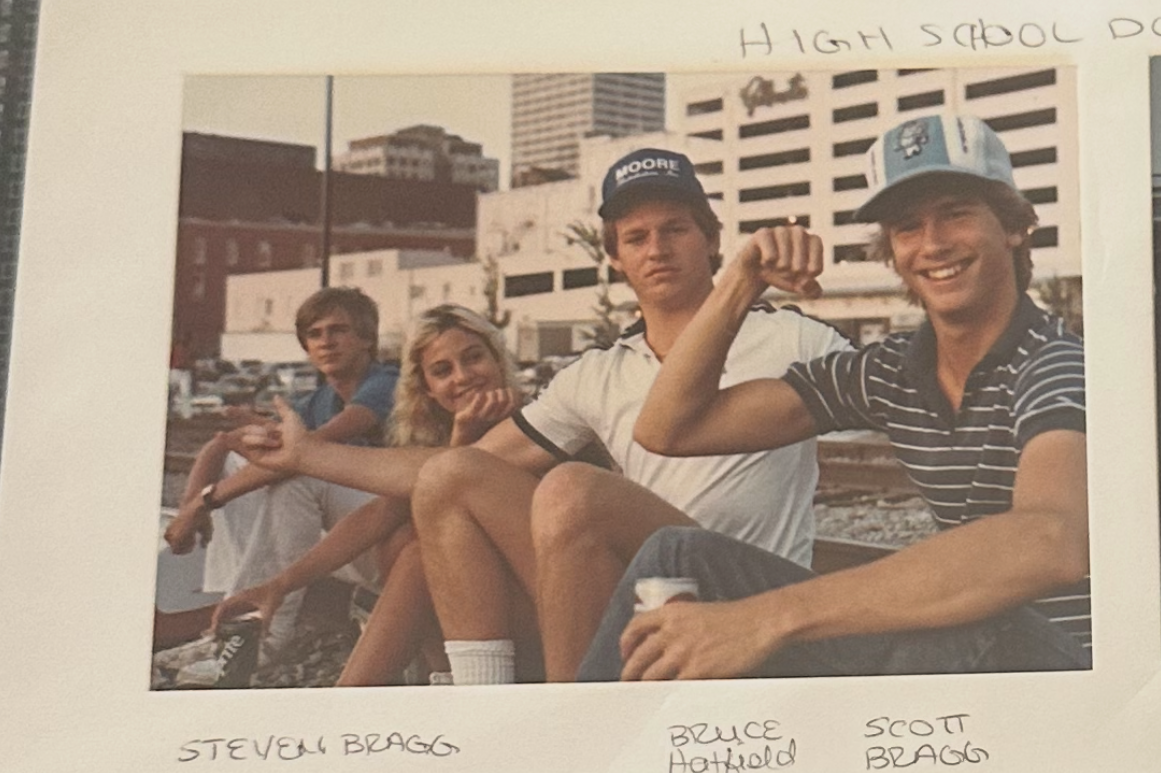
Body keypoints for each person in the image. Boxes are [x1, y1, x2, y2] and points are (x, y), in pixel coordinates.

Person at [578, 117, 1090, 681]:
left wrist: (763, 619)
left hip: (1062, 669)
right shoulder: (892, 372)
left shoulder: (1056, 363)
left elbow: (1051, 541)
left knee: (972, 609)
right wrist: (742, 281)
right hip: (968, 644)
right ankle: (591, 743)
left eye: (956, 213)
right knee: (677, 555)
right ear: (891, 251)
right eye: (907, 227)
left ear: (1014, 227)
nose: (934, 243)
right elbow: (668, 429)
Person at [401, 146, 847, 682]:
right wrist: (304, 454)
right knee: (447, 477)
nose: (657, 249)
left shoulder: (795, 338)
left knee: (571, 491)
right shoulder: (599, 372)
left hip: (746, 598)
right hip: (647, 588)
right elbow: (462, 473)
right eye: (636, 238)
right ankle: (485, 704)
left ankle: (571, 723)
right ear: (615, 257)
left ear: (711, 239)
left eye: (675, 229)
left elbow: (910, 389)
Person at [214, 308, 524, 685]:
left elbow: (461, 477)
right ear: (426, 387)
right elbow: (377, 515)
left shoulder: (535, 418)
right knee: (403, 535)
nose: (463, 377)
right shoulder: (438, 433)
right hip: (477, 598)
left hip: (537, 596)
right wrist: (280, 584)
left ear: (497, 357)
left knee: (415, 547)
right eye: (442, 371)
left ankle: (370, 692)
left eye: (474, 357)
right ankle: (433, 672)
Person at [160, 288, 397, 652]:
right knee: (245, 460)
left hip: (393, 534)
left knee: (298, 472)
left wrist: (202, 505)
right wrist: (193, 504)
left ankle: (264, 635)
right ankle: (237, 607)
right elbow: (223, 444)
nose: (326, 342)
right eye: (315, 335)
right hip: (353, 535)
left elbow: (303, 454)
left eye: (338, 330)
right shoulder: (318, 401)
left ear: (366, 339)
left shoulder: (385, 384)